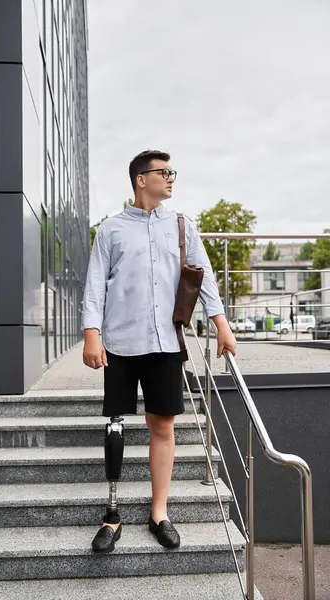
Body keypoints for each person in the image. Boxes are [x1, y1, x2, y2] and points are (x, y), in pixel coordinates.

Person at [82, 149, 237, 553]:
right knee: (115, 426)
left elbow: (203, 279)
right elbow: (95, 284)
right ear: (140, 179)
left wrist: (221, 325)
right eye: (164, 172)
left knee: (163, 427)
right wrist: (91, 333)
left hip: (166, 343)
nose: (171, 178)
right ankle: (112, 514)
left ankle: (159, 512)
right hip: (119, 343)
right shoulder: (111, 229)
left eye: (173, 172)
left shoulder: (183, 226)